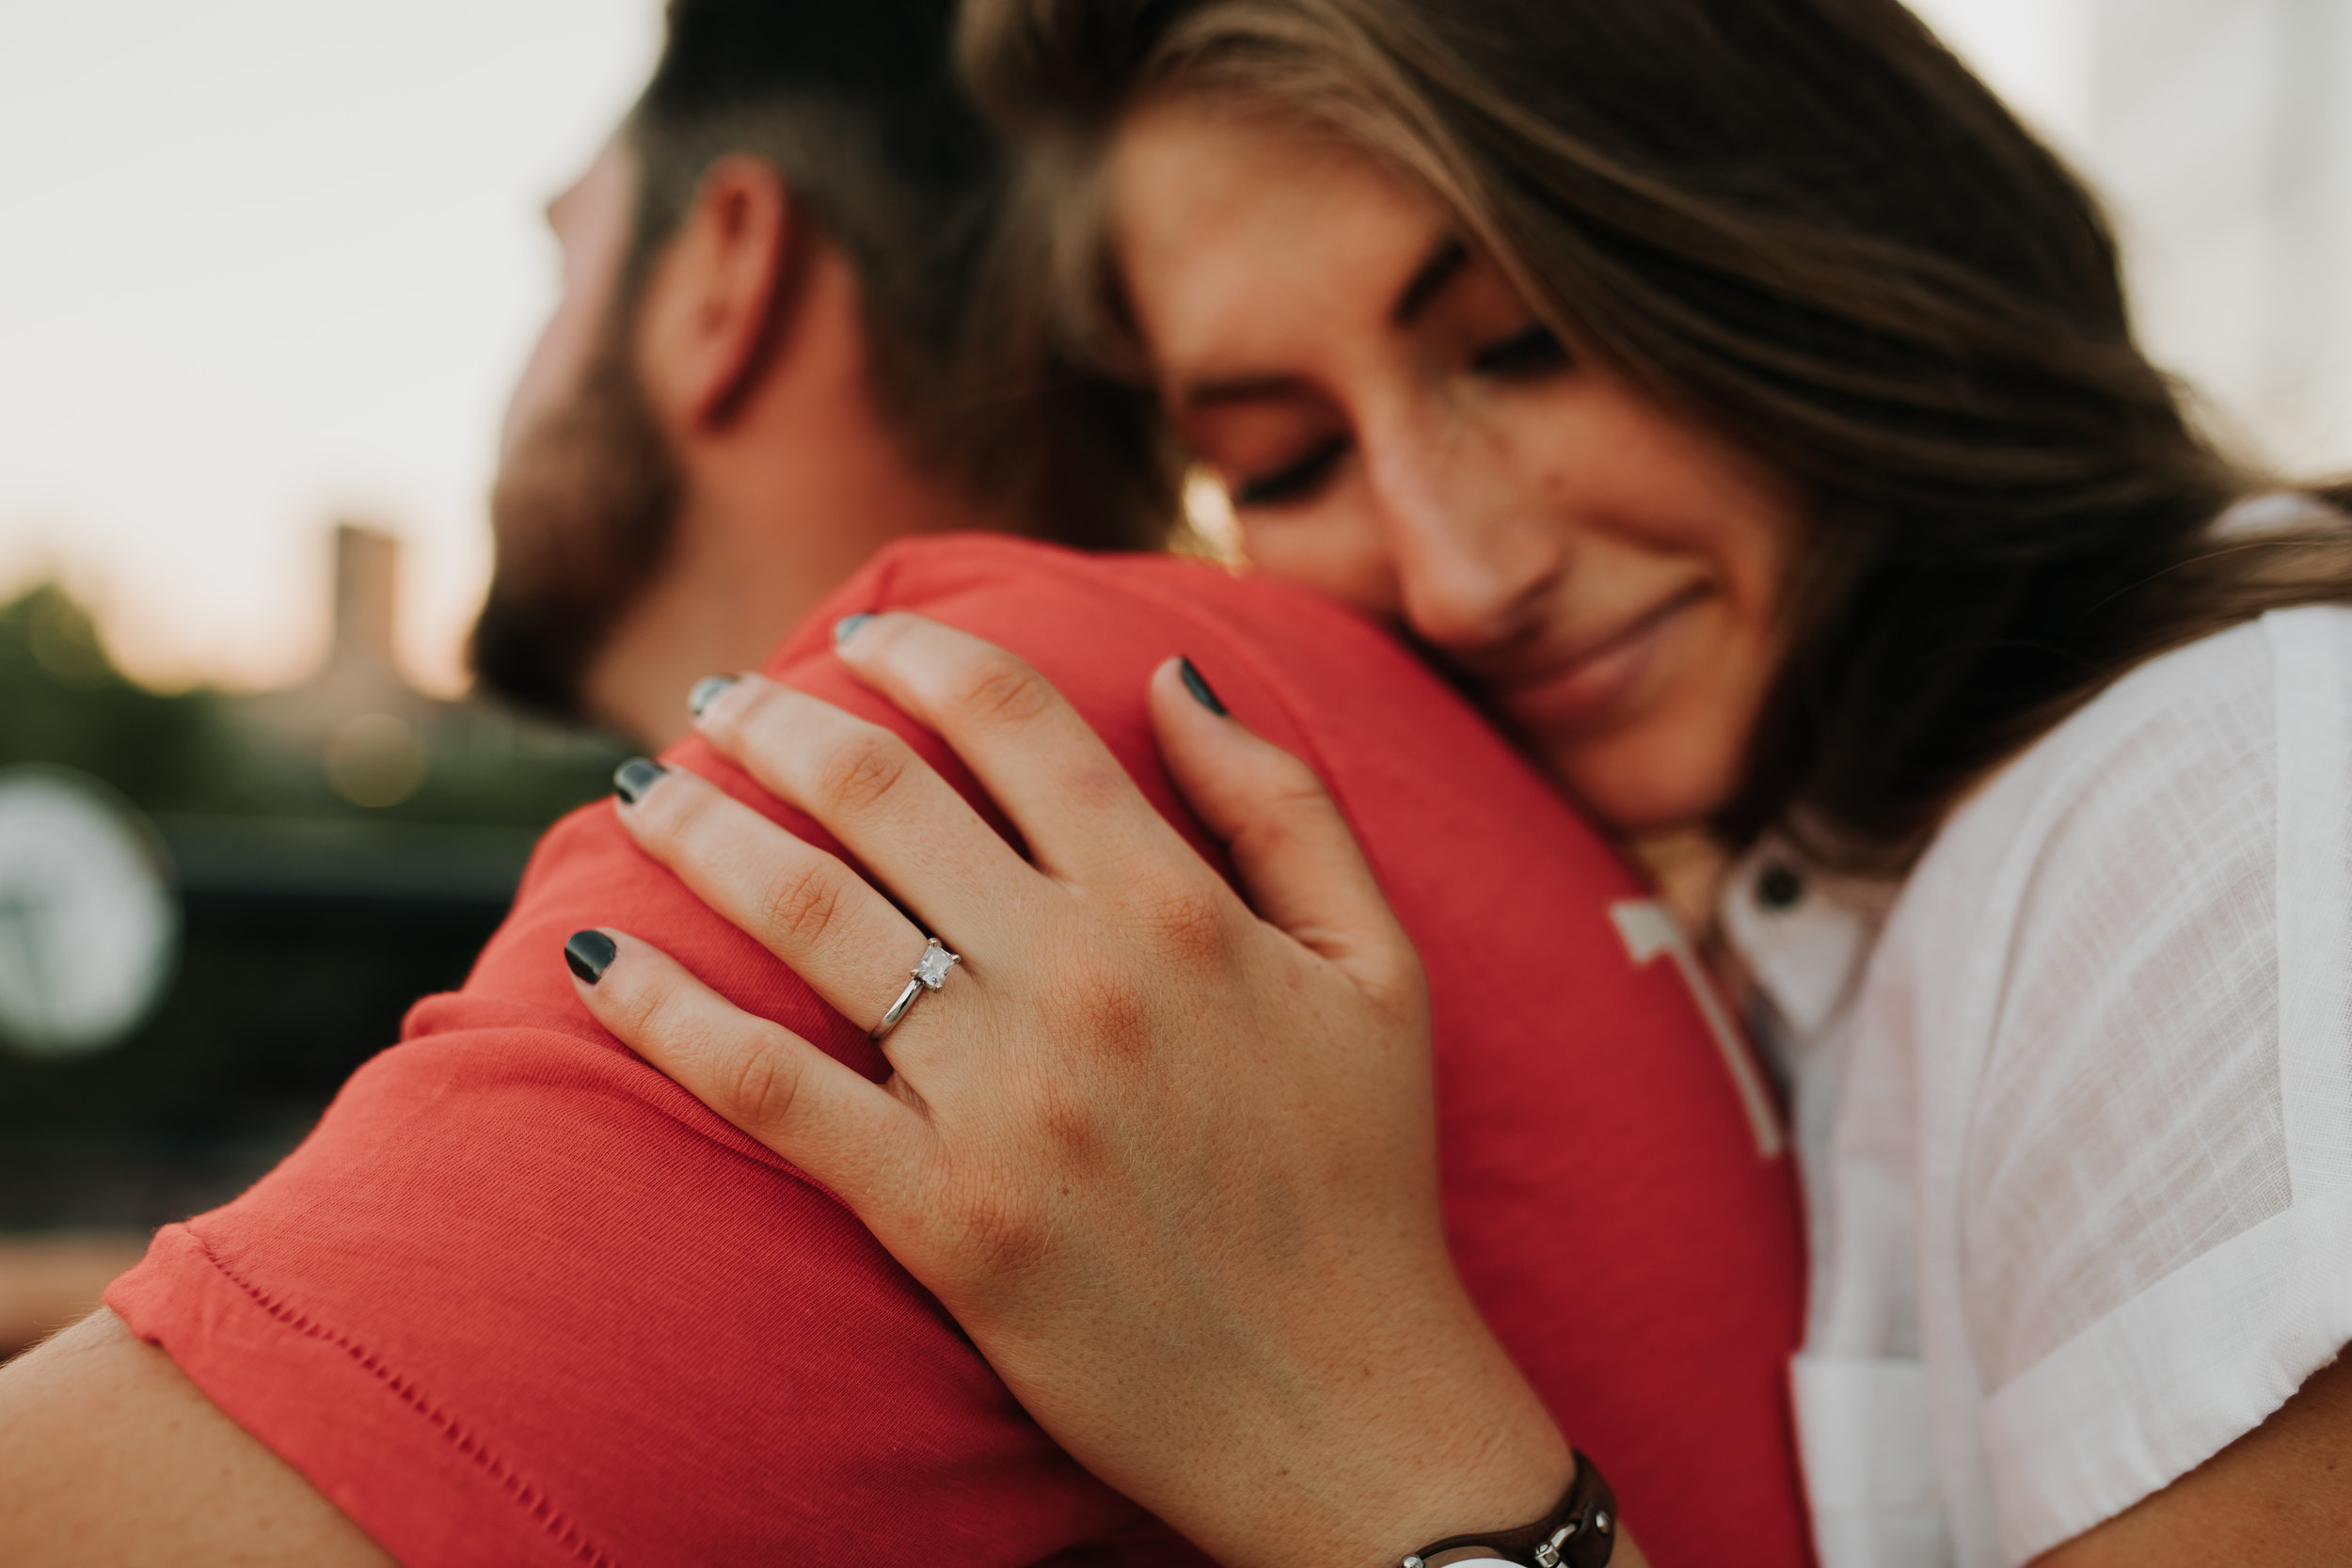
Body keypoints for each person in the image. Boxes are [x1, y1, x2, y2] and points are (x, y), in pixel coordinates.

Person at [0, 0, 1816, 1563]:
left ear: (728, 267)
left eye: (559, 255)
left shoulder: (937, 779)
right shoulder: (1289, 720)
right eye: (1282, 447)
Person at [563, 0, 2352, 1565]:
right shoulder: (1826, 883)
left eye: (1522, 345)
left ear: (1827, 222)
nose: (1454, 569)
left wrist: (1352, 1422)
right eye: (1284, 456)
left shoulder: (2230, 812)